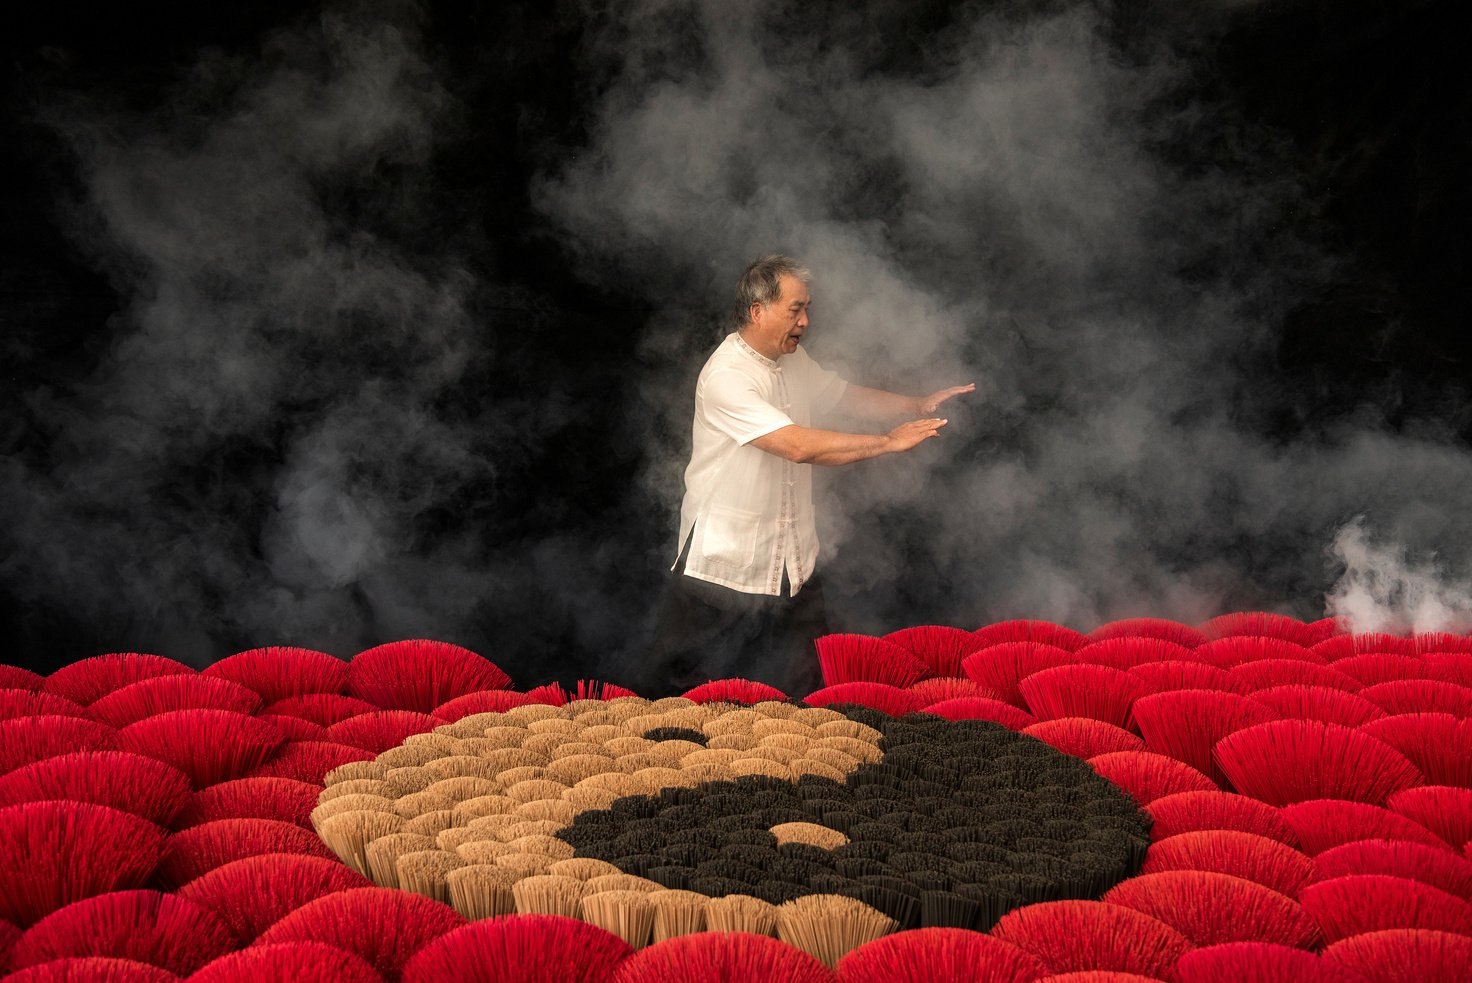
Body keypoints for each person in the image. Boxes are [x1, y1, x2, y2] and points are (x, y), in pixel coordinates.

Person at [642, 254, 974, 697]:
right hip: (724, 560)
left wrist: (915, 405)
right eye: (794, 309)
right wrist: (889, 443)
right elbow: (797, 446)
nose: (804, 320)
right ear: (757, 311)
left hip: (791, 555)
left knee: (808, 679)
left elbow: (844, 396)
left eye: (807, 309)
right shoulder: (726, 376)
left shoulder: (791, 360)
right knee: (673, 684)